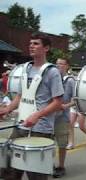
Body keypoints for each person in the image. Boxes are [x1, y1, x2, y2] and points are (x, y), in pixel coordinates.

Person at [0, 32, 64, 180]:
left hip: (40, 129)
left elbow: (57, 102)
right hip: (21, 126)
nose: (31, 46)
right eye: (30, 43)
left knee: (36, 176)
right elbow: (20, 97)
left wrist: (37, 115)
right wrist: (7, 109)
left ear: (46, 48)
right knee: (10, 171)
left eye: (36, 44)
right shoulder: (25, 68)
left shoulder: (52, 72)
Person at [53, 58, 75, 178]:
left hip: (62, 117)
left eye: (61, 64)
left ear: (67, 66)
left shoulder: (70, 81)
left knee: (61, 144)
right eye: (57, 64)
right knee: (48, 143)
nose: (58, 66)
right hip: (49, 116)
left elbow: (75, 99)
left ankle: (61, 166)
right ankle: (49, 164)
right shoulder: (52, 78)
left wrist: (64, 106)